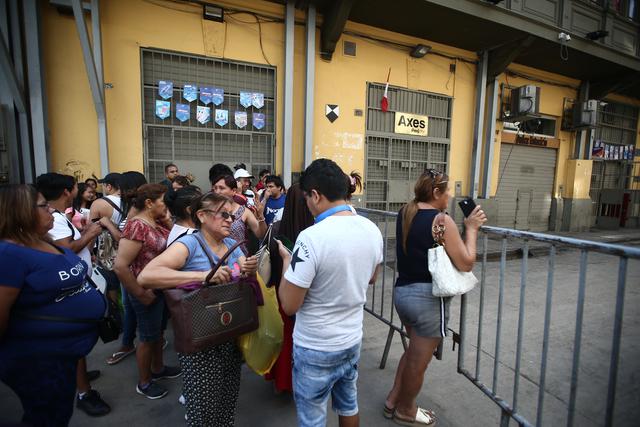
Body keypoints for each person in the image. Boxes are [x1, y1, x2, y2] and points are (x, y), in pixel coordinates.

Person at [276, 159, 384, 427]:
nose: (307, 205)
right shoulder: (371, 229)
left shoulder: (311, 237)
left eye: (306, 199)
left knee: (312, 418)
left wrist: (287, 264)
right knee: (348, 405)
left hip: (316, 345)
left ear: (316, 195)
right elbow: (372, 278)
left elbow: (289, 305)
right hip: (351, 339)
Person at [138, 192, 259, 426]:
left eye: (232, 216)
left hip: (231, 334)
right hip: (200, 341)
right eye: (224, 214)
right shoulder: (189, 244)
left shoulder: (233, 245)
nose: (230, 220)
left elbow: (243, 276)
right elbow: (147, 276)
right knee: (203, 411)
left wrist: (250, 270)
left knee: (226, 402)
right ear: (202, 216)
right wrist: (203, 276)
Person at [384, 170, 487, 426]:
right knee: (419, 362)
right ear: (436, 192)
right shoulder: (441, 220)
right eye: (447, 191)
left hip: (403, 294)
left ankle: (392, 401)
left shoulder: (405, 212)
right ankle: (406, 409)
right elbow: (466, 262)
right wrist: (471, 229)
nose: (449, 196)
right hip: (427, 300)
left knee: (412, 355)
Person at [0, 184, 105, 426]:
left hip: (65, 355)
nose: (51, 209)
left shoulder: (45, 240)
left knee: (59, 412)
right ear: (20, 211)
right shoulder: (8, 254)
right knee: (47, 417)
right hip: (38, 360)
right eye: (43, 205)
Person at [35, 173, 111, 417]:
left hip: (78, 284)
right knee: (75, 343)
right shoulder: (55, 220)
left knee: (78, 344)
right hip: (69, 291)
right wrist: (91, 234)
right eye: (76, 187)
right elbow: (65, 250)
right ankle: (84, 392)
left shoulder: (59, 216)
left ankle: (79, 373)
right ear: (67, 191)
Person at [113, 184, 181, 400]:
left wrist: (167, 218)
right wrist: (141, 294)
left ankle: (158, 368)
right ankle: (144, 381)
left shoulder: (156, 222)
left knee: (158, 333)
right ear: (149, 203)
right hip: (144, 291)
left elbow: (174, 240)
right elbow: (121, 266)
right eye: (163, 201)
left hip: (159, 287)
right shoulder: (137, 227)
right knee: (147, 336)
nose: (167, 206)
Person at [264, 183, 314, 394]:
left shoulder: (275, 229)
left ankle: (281, 382)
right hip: (306, 295)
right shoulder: (313, 234)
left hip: (279, 291)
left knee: (283, 341)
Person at [105, 170, 149, 366]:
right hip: (130, 269)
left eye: (122, 188)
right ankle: (129, 342)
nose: (120, 192)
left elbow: (122, 239)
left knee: (134, 308)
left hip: (136, 270)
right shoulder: (132, 208)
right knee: (129, 307)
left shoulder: (136, 211)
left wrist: (107, 224)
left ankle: (140, 346)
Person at [212, 174, 267, 254]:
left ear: (234, 191)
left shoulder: (244, 211)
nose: (217, 191)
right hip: (215, 260)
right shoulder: (210, 211)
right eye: (215, 188)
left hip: (240, 260)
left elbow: (260, 234)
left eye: (221, 188)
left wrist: (261, 216)